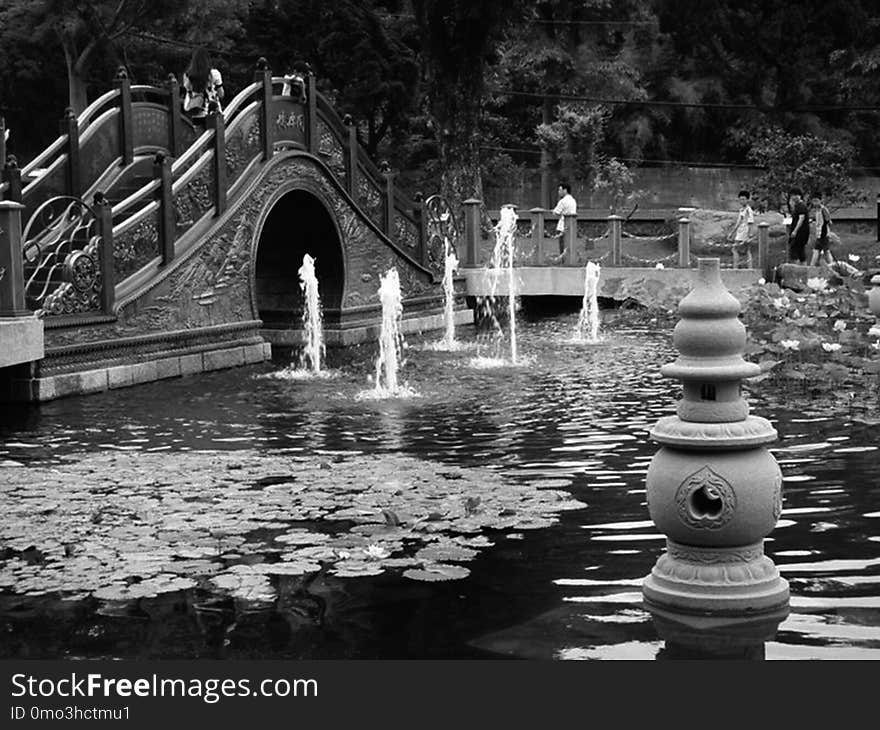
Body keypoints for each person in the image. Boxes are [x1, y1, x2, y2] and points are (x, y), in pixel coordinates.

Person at [182, 48, 224, 127]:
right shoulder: (214, 74)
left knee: (201, 138)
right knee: (216, 136)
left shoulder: (188, 76)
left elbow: (188, 91)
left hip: (196, 113)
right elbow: (221, 94)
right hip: (213, 113)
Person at [730, 189, 755, 269]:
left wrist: (749, 235)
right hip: (740, 231)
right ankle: (746, 267)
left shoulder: (748, 210)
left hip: (745, 232)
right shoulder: (741, 210)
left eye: (743, 199)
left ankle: (736, 267)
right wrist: (732, 232)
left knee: (735, 249)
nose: (741, 201)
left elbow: (750, 222)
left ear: (747, 200)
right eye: (740, 199)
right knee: (745, 250)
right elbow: (738, 222)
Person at [809, 191, 834, 266]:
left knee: (823, 251)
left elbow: (828, 221)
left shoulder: (823, 209)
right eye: (813, 201)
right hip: (819, 233)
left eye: (816, 201)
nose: (815, 203)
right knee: (823, 251)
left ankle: (812, 266)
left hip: (823, 234)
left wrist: (826, 232)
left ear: (820, 201)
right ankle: (813, 265)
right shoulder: (816, 210)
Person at [552, 182, 577, 254]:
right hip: (572, 225)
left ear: (565, 190)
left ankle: (563, 259)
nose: (559, 192)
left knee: (562, 245)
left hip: (562, 226)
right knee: (570, 244)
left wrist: (553, 212)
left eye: (560, 190)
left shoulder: (562, 201)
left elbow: (556, 212)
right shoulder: (573, 200)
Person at [787, 187, 809, 264]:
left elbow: (801, 218)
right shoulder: (797, 206)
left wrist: (795, 231)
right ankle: (803, 268)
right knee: (801, 252)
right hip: (801, 232)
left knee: (794, 251)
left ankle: (796, 268)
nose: (792, 197)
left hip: (800, 232)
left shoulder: (801, 206)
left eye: (794, 195)